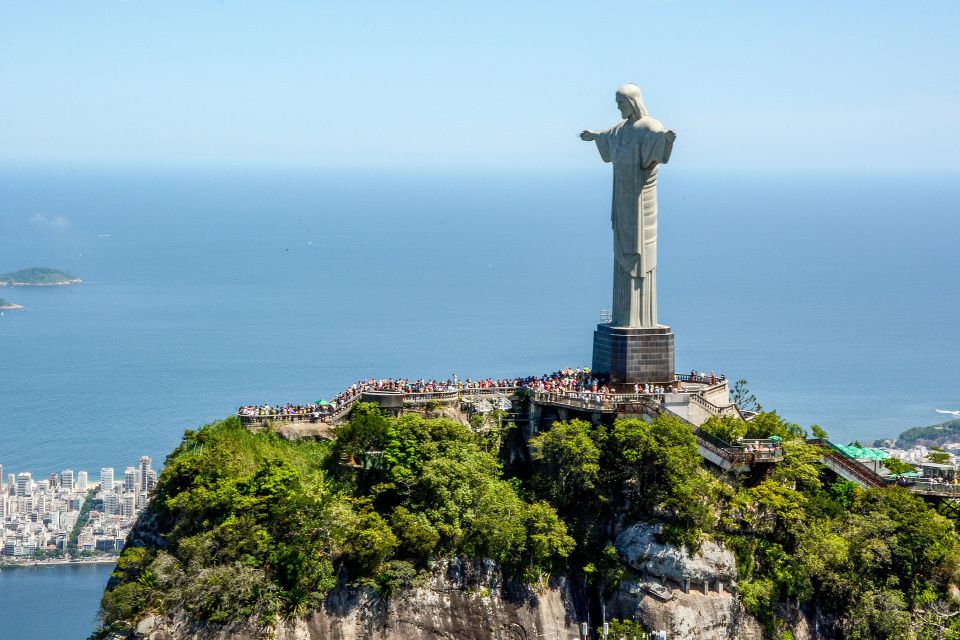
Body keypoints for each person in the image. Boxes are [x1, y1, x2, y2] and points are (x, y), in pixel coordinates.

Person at [581, 84, 676, 327]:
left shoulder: (649, 126)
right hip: (622, 202)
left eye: (621, 103)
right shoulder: (621, 130)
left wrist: (666, 139)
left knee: (641, 253)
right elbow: (607, 139)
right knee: (623, 249)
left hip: (640, 204)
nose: (618, 108)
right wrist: (594, 137)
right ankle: (625, 319)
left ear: (633, 102)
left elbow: (658, 142)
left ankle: (640, 321)